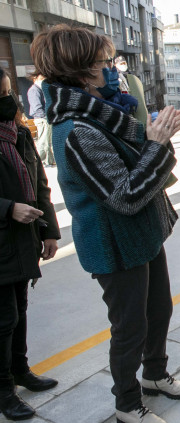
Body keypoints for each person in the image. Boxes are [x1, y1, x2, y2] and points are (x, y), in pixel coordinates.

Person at [31, 24, 180, 423]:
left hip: (142, 236)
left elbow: (137, 166)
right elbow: (124, 196)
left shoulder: (102, 113)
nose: (112, 69)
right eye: (105, 62)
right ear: (82, 71)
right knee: (129, 328)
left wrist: (154, 138)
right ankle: (126, 403)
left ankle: (155, 375)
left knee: (159, 310)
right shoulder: (76, 129)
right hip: (115, 245)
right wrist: (156, 142)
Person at [0, 67, 61, 421]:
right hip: (3, 237)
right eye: (1, 95)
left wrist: (49, 230)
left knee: (20, 310)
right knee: (3, 318)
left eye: (9, 92)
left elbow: (39, 184)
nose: (8, 101)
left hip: (21, 239)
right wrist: (8, 209)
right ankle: (4, 390)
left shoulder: (18, 134)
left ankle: (21, 370)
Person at [26, 75, 55, 167]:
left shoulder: (40, 89)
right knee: (44, 141)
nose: (43, 81)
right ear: (35, 79)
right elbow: (37, 107)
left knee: (48, 141)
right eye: (41, 79)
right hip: (42, 119)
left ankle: (49, 160)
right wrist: (44, 116)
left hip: (45, 118)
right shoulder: (34, 90)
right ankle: (42, 161)